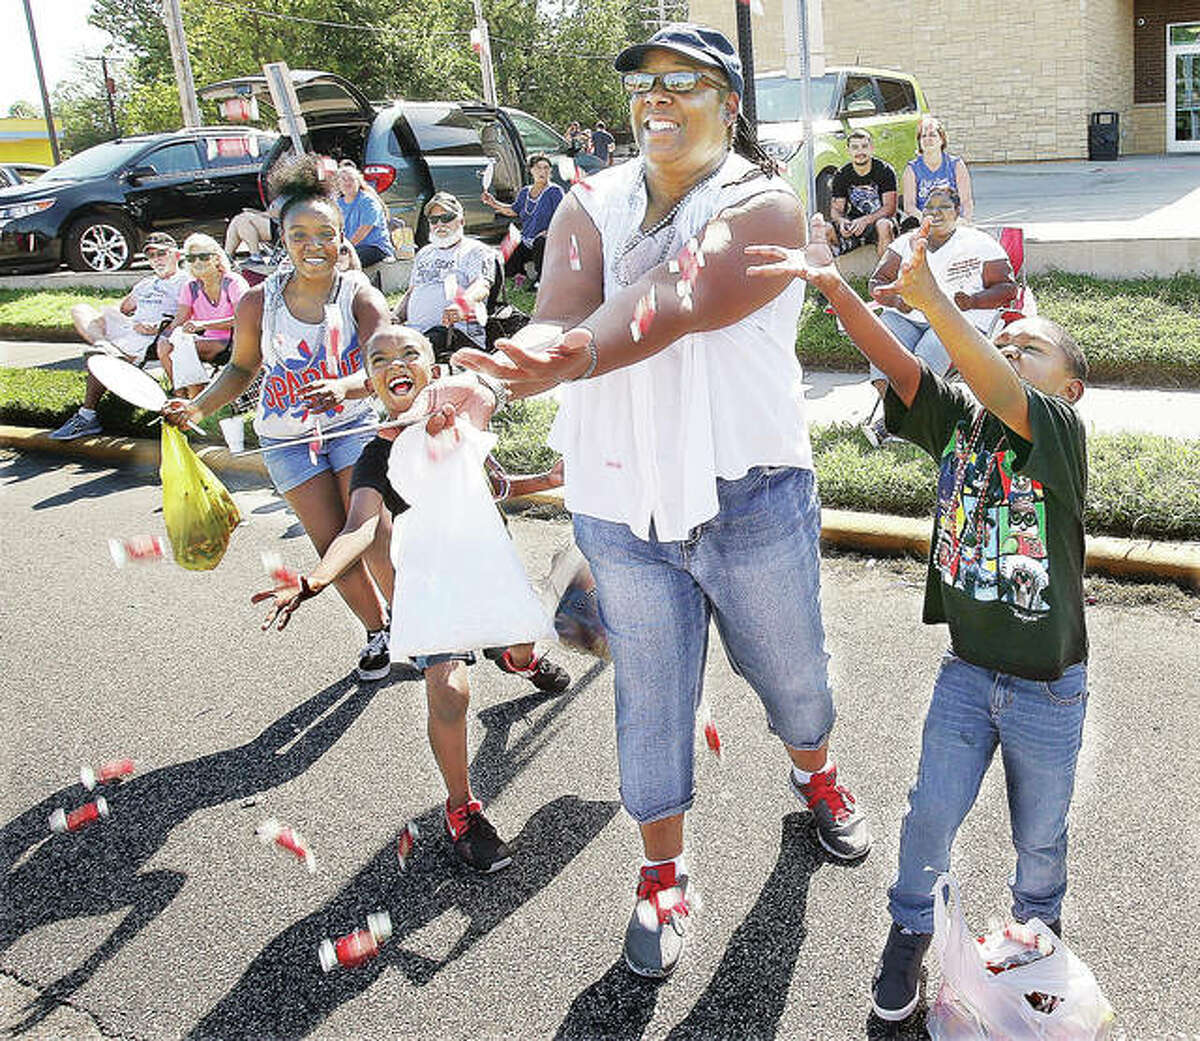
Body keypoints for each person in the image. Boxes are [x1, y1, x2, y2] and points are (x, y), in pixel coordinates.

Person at [454, 22, 871, 979]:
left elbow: (676, 299)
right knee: (650, 703)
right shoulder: (587, 204)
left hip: (752, 496)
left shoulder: (764, 205)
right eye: (644, 85)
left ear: (730, 102)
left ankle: (816, 772)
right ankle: (662, 875)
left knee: (795, 682)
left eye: (684, 83)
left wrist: (572, 352)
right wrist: (498, 374)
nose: (658, 101)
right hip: (619, 506)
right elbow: (560, 309)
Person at [745, 215, 1090, 1024]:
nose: (1006, 355)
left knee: (1040, 836)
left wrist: (935, 298)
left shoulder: (1061, 434)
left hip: (1049, 689)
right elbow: (900, 367)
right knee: (929, 812)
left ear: (1070, 387)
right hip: (967, 674)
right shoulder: (958, 422)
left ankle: (1037, 936)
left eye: (1028, 348)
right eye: (1001, 346)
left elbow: (1002, 389)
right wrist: (835, 289)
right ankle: (908, 932)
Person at [251, 326, 569, 872]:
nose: (394, 363)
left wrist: (547, 477)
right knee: (449, 691)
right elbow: (357, 527)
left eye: (408, 354)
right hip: (429, 586)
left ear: (431, 366)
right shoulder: (378, 457)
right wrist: (314, 580)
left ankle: (519, 660)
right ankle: (463, 809)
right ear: (369, 380)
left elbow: (492, 486)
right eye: (379, 359)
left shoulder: (461, 424)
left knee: (519, 646)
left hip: (486, 568)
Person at [163, 153, 395, 682]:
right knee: (327, 541)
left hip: (354, 428)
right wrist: (198, 405)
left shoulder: (359, 294)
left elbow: (393, 369)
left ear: (343, 237)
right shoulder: (257, 302)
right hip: (287, 438)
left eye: (326, 233)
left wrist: (346, 384)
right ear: (282, 239)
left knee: (373, 533)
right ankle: (377, 630)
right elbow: (243, 366)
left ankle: (416, 624)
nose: (314, 245)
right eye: (299, 234)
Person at [864, 186, 1015, 445]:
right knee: (882, 344)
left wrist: (974, 301)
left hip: (957, 319)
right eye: (929, 208)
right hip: (909, 317)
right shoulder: (905, 243)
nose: (935, 213)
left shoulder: (978, 243)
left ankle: (891, 424)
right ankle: (902, 419)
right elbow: (876, 283)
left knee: (923, 356)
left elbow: (1007, 288)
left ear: (957, 211)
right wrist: (898, 302)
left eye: (943, 206)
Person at [50, 232, 189, 440]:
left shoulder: (184, 281)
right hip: (132, 328)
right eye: (151, 256)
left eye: (162, 253)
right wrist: (113, 319)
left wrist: (160, 326)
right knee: (81, 309)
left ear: (176, 255)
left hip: (156, 333)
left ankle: (87, 416)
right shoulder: (145, 283)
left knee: (100, 358)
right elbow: (123, 308)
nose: (156, 259)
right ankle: (105, 345)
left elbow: (189, 312)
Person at [394, 192, 495, 362]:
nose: (439, 224)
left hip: (454, 333)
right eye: (434, 220)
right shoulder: (424, 253)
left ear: (461, 221)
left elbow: (482, 285)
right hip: (415, 332)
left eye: (446, 217)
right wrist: (395, 316)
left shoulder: (476, 250)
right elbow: (411, 292)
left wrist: (461, 304)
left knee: (412, 354)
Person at [158, 233, 248, 398]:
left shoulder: (233, 282)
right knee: (165, 347)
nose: (198, 262)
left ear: (216, 258)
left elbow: (243, 320)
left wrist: (203, 325)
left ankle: (195, 397)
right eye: (192, 258)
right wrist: (163, 336)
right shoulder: (190, 287)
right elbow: (180, 319)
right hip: (206, 340)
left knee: (185, 349)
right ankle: (182, 394)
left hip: (236, 340)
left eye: (204, 257)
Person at [480, 153, 564, 287]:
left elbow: (562, 217)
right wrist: (493, 203)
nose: (543, 171)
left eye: (546, 168)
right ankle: (521, 273)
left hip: (546, 241)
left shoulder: (555, 191)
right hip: (526, 240)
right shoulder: (525, 191)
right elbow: (513, 210)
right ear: (531, 170)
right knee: (507, 270)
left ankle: (541, 279)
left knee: (541, 242)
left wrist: (548, 231)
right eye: (538, 168)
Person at [826, 128, 897, 258]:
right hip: (854, 223)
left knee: (884, 225)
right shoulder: (841, 174)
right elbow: (836, 210)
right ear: (848, 151)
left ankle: (885, 275)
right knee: (825, 229)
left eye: (864, 146)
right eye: (855, 147)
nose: (860, 151)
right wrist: (842, 221)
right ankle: (837, 272)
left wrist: (866, 220)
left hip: (879, 221)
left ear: (871, 148)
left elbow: (890, 208)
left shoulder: (885, 170)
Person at [900, 115, 974, 227]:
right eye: (923, 136)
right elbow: (909, 206)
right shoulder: (912, 169)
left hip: (953, 221)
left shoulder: (956, 165)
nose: (927, 139)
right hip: (924, 221)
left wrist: (962, 221)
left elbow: (966, 202)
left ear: (942, 139)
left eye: (932, 135)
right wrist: (925, 220)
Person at [336, 160, 395, 268]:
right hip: (350, 246)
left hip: (374, 247)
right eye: (343, 180)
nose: (347, 183)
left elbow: (364, 230)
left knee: (345, 263)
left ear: (358, 182)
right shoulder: (338, 204)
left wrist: (345, 249)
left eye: (351, 179)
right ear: (338, 184)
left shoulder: (368, 202)